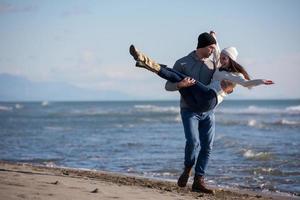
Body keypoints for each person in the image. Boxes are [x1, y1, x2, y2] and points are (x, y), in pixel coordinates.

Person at [129, 32, 273, 193]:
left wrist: (255, 82)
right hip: (189, 108)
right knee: (192, 142)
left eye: (214, 49)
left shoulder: (216, 65)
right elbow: (168, 86)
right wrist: (180, 85)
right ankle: (187, 168)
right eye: (210, 48)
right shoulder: (184, 62)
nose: (214, 52)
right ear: (203, 46)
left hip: (208, 108)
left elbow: (240, 80)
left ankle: (199, 180)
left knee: (207, 146)